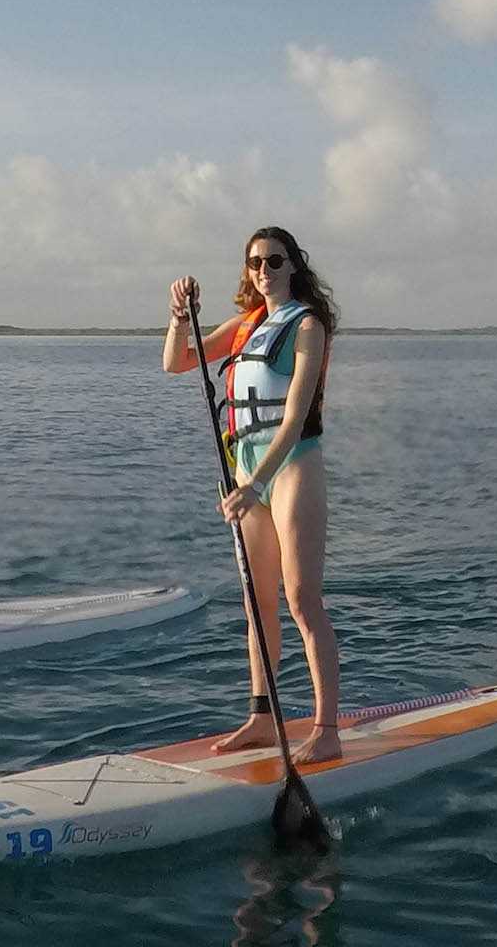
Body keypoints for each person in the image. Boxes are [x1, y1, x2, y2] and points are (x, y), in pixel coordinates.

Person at [163, 226, 341, 764]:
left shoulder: (306, 325)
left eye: (275, 261)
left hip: (288, 470)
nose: (264, 271)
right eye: (255, 263)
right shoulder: (246, 325)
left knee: (301, 600)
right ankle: (263, 718)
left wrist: (258, 483)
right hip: (247, 474)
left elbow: (292, 419)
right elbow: (177, 362)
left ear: (294, 266)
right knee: (256, 603)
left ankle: (326, 727)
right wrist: (177, 316)